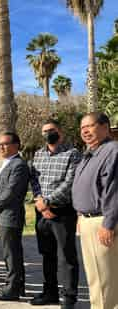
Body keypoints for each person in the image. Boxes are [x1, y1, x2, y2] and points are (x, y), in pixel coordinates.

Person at [30, 120, 81, 308]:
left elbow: (69, 183)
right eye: (44, 131)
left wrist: (48, 202)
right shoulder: (38, 154)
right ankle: (49, 292)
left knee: (66, 256)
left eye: (51, 130)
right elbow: (34, 180)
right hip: (42, 212)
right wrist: (40, 202)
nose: (47, 134)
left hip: (63, 212)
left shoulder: (73, 154)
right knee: (47, 254)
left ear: (60, 132)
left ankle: (68, 298)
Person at [72, 112, 118, 309]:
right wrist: (80, 216)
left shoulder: (112, 151)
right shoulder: (89, 154)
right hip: (88, 220)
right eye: (82, 128)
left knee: (102, 280)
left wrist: (108, 223)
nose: (85, 131)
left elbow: (114, 190)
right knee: (99, 278)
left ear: (105, 127)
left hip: (102, 222)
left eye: (89, 126)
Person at [0, 132, 29, 301]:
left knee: (11, 254)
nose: (1, 147)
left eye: (5, 144)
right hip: (2, 214)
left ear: (16, 145)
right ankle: (17, 286)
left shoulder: (19, 165)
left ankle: (12, 289)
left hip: (10, 216)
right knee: (10, 253)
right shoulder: (4, 163)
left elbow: (11, 191)